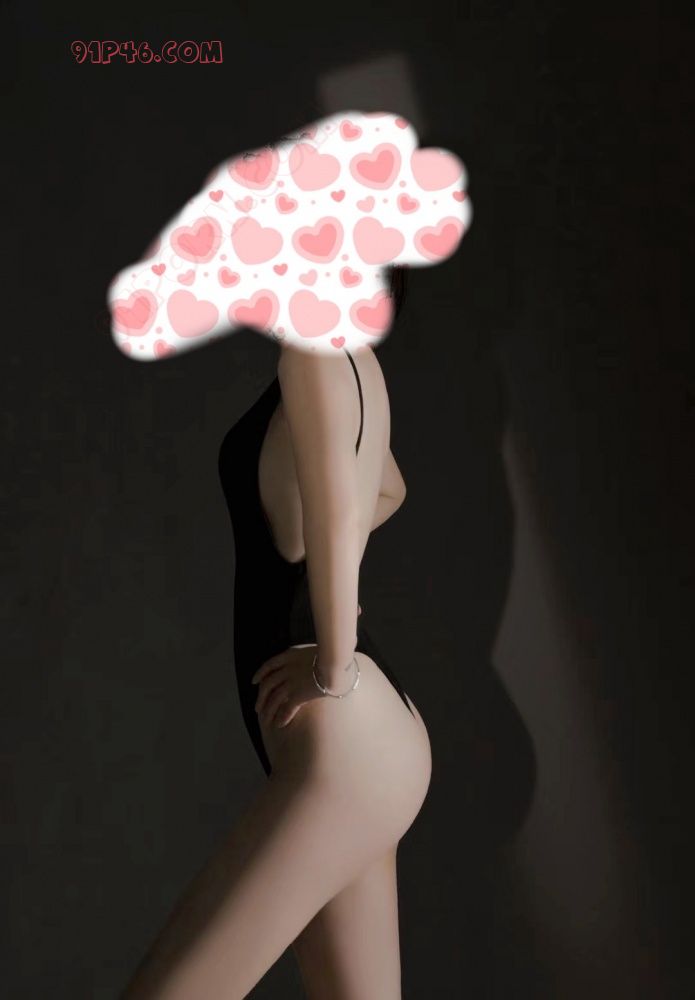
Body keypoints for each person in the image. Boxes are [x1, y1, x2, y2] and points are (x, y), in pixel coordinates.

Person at [121, 272, 431, 997]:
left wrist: (333, 662)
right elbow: (385, 489)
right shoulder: (358, 365)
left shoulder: (315, 357)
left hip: (346, 742)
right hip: (374, 742)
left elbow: (335, 514)